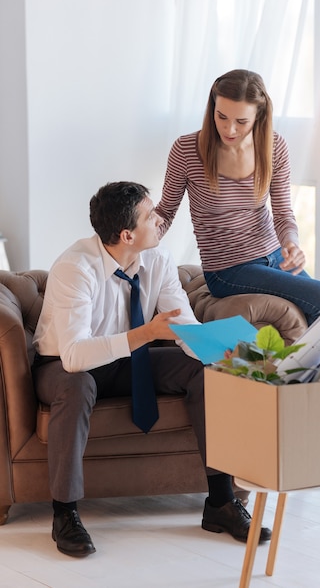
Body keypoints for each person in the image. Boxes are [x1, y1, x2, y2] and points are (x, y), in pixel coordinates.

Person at [32, 181, 271, 558]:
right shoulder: (74, 268)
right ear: (127, 234)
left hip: (128, 359)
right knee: (76, 386)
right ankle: (65, 513)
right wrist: (144, 334)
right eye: (151, 215)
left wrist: (235, 353)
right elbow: (74, 356)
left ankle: (221, 503)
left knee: (205, 372)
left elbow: (185, 327)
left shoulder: (157, 259)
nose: (161, 219)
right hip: (63, 367)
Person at [156, 69, 320, 326]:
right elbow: (164, 212)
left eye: (241, 121)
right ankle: (303, 366)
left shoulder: (274, 146)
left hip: (274, 255)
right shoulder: (186, 150)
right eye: (221, 116)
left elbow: (283, 212)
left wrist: (292, 243)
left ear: (259, 115)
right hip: (228, 270)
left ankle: (302, 367)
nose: (229, 129)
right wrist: (129, 246)